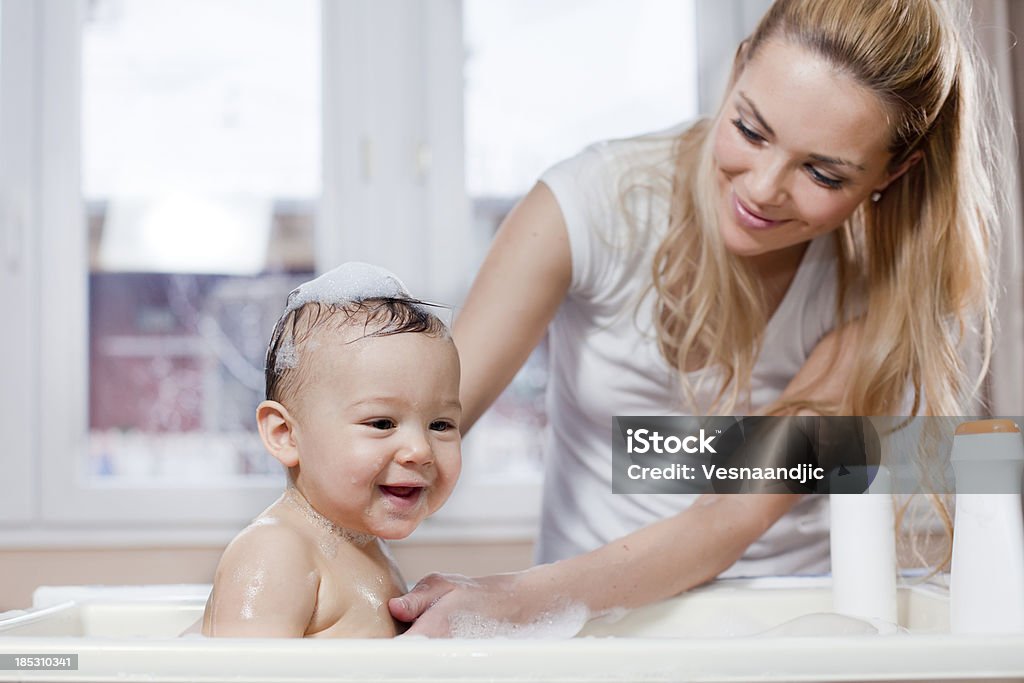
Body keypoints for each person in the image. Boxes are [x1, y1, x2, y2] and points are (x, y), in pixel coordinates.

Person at [389, 0, 1006, 636]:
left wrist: (517, 600)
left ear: (892, 172)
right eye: (751, 129)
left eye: (822, 172)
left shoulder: (885, 281)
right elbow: (419, 430)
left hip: (794, 623)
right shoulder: (587, 204)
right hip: (589, 628)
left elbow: (731, 516)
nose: (763, 188)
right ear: (738, 69)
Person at [202, 262, 462, 637]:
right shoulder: (276, 553)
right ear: (284, 434)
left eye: (441, 425)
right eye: (381, 423)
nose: (420, 450)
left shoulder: (360, 546)